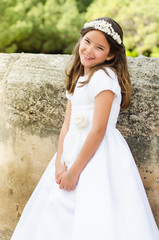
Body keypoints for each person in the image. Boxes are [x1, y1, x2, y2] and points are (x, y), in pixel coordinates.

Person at [11, 17, 159, 240]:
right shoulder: (78, 76)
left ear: (110, 55)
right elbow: (66, 126)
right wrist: (60, 163)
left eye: (99, 47)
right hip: (70, 153)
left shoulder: (104, 77)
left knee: (95, 210)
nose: (89, 50)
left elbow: (98, 130)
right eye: (87, 41)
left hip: (97, 154)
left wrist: (74, 172)